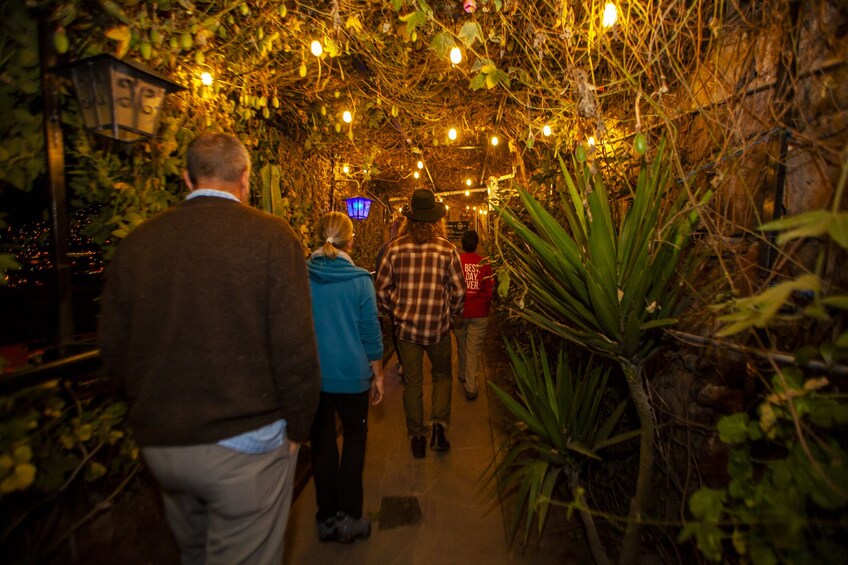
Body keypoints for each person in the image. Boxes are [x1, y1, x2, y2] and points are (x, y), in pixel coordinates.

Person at [98, 132, 321, 565]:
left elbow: (113, 349)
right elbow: (295, 347)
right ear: (245, 178)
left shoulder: (138, 244)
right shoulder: (272, 238)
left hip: (163, 444)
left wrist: (144, 412)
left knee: (194, 553)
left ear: (186, 178)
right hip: (247, 443)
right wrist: (298, 428)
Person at [306, 211, 384, 544]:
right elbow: (371, 332)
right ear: (351, 241)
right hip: (352, 377)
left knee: (322, 445)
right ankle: (350, 516)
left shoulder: (301, 277)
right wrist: (377, 376)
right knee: (354, 440)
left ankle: (326, 517)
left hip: (314, 377)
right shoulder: (360, 281)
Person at [374, 188, 466, 458]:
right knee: (442, 376)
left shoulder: (394, 249)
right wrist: (450, 315)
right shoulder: (448, 250)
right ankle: (439, 426)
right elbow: (459, 292)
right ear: (436, 221)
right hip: (438, 329)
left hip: (407, 332)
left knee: (413, 383)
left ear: (410, 220)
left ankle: (417, 436)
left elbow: (380, 290)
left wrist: (397, 310)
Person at [453, 230, 494, 401]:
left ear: (462, 244)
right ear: (476, 244)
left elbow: (451, 286)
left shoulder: (457, 262)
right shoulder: (484, 263)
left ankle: (462, 373)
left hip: (460, 312)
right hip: (479, 312)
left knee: (462, 344)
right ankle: (471, 386)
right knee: (473, 350)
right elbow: (490, 290)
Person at [374, 216, 403, 373]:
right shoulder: (408, 246)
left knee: (395, 329)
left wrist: (384, 303)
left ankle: (401, 359)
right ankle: (405, 362)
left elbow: (379, 274)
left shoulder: (386, 247)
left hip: (392, 297)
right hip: (405, 296)